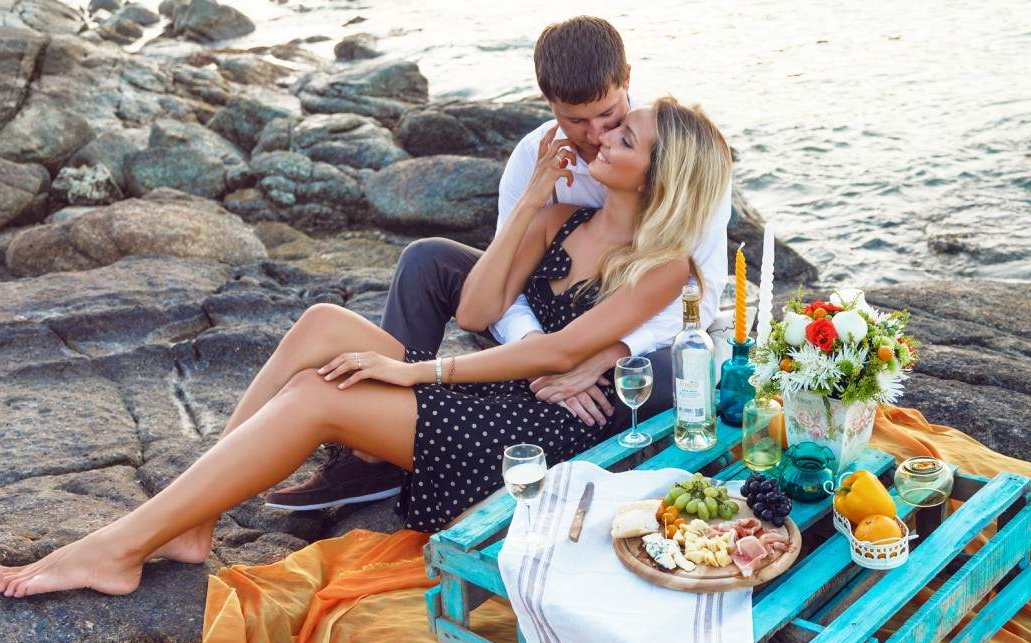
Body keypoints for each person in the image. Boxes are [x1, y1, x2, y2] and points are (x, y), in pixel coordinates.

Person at [0, 94, 734, 598]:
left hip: (543, 433)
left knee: (317, 396)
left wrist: (411, 371)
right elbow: (476, 305)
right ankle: (192, 523)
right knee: (319, 324)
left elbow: (552, 355)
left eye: (623, 136)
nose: (601, 136)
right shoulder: (564, 212)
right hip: (504, 388)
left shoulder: (662, 266)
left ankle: (119, 549)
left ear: (659, 173)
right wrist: (532, 201)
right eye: (611, 125)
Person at [263, 15, 731, 512]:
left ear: (627, 80)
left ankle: (572, 445)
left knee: (664, 370)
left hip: (626, 331)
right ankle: (374, 446)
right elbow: (503, 285)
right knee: (427, 259)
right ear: (549, 105)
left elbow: (699, 302)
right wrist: (536, 346)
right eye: (576, 121)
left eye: (609, 116)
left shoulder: (675, 158)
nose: (595, 135)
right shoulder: (535, 156)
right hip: (547, 320)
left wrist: (603, 354)